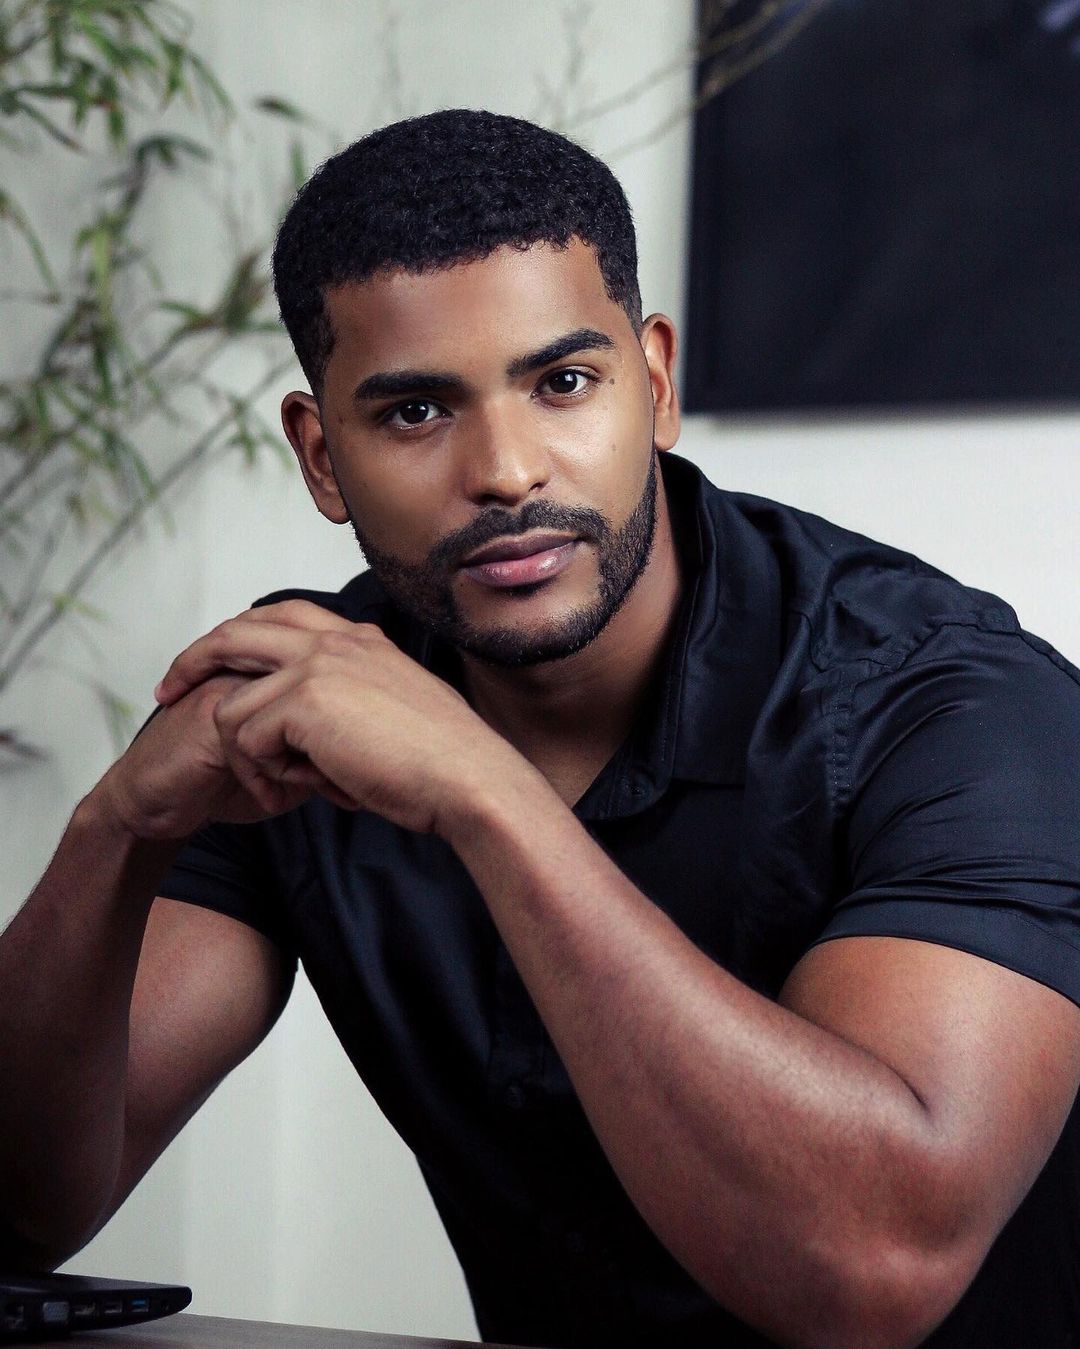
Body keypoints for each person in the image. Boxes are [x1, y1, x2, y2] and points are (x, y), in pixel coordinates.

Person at [2, 109, 1080, 1349]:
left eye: (563, 382)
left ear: (655, 383)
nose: (508, 470)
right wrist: (112, 832)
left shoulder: (956, 703)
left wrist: (485, 792)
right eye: (416, 412)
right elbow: (21, 1206)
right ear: (322, 456)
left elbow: (873, 1266)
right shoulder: (307, 700)